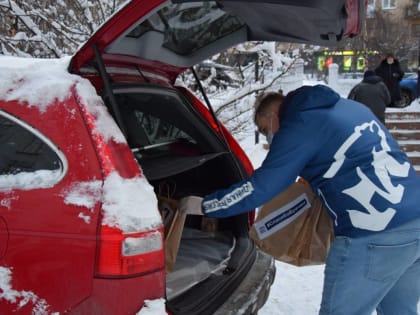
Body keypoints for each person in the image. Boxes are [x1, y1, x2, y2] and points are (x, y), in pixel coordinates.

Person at [179, 85, 420, 315]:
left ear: (274, 114)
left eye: (265, 130)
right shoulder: (351, 108)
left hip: (375, 232)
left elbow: (261, 187)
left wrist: (206, 205)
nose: (270, 137)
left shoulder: (299, 124)